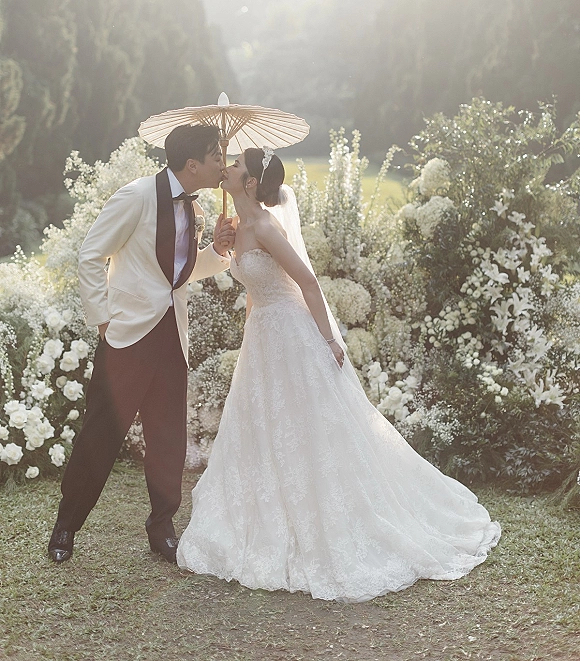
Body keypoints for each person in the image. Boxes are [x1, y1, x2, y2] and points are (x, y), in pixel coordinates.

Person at [177, 147, 501, 602]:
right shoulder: (239, 226)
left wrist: (328, 340)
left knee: (313, 427)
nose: (226, 169)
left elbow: (306, 282)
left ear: (250, 183)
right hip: (264, 337)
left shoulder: (267, 226)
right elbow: (254, 289)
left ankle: (333, 514)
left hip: (292, 333)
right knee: (269, 427)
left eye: (235, 166)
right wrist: (224, 246)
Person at [48, 124, 235, 564]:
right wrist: (102, 319)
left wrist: (218, 250)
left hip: (173, 335)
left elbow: (179, 275)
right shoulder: (136, 196)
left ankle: (162, 528)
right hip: (128, 335)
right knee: (102, 432)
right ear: (193, 165)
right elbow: (91, 253)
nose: (222, 165)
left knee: (168, 436)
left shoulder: (195, 205)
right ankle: (66, 524)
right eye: (216, 157)